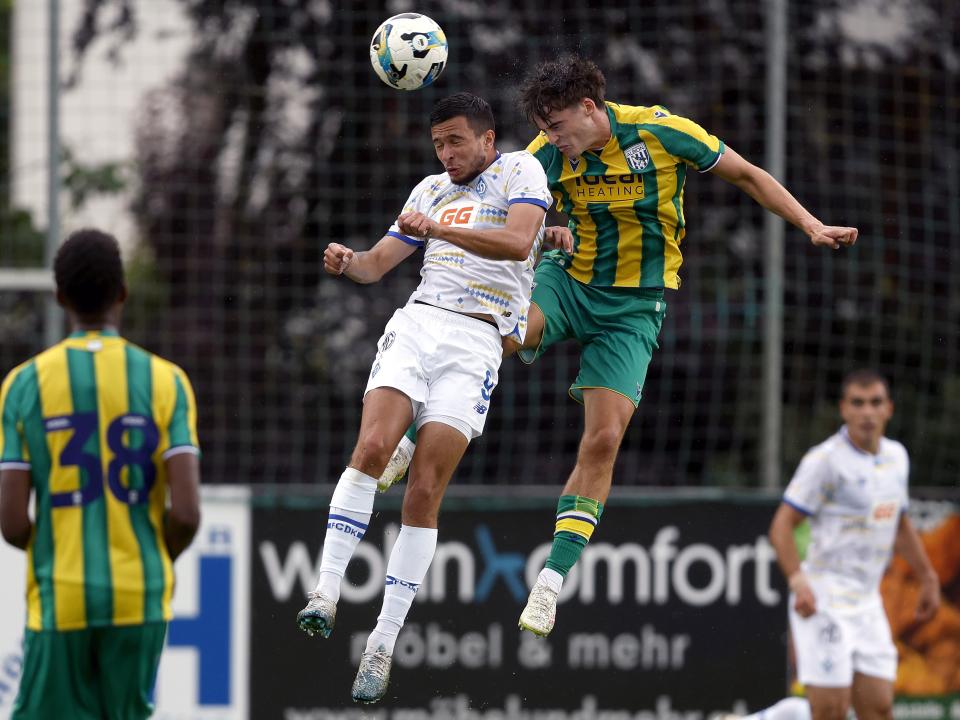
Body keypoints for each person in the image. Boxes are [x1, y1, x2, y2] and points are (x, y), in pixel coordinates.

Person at [379, 56, 860, 637]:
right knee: (495, 332)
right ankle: (408, 436)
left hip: (634, 308)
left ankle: (550, 583)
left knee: (604, 439)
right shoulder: (545, 155)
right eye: (545, 130)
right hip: (568, 281)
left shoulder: (660, 131)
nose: (551, 139)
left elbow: (748, 175)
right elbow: (502, 209)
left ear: (589, 108)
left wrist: (809, 224)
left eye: (556, 126)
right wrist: (541, 234)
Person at [296, 92, 551, 704]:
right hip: (419, 323)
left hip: (479, 340)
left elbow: (520, 243)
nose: (446, 153)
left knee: (425, 487)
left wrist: (439, 230)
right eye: (438, 143)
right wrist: (347, 261)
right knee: (374, 447)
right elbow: (379, 265)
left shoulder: (521, 171)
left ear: (488, 140)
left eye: (456, 140)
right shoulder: (428, 189)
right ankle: (325, 592)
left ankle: (382, 643)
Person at [0, 228, 202, 720]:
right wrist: (152, 553)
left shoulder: (23, 385)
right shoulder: (167, 381)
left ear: (60, 297)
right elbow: (188, 513)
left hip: (61, 595)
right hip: (140, 596)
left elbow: (11, 521)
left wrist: (61, 546)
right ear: (123, 293)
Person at [768, 369, 940, 720]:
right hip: (824, 597)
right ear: (844, 409)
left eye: (875, 402)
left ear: (888, 408)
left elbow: (900, 523)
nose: (867, 412)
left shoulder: (896, 458)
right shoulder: (825, 460)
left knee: (879, 709)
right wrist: (798, 580)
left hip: (866, 601)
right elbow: (782, 525)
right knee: (830, 710)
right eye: (858, 403)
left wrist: (928, 577)